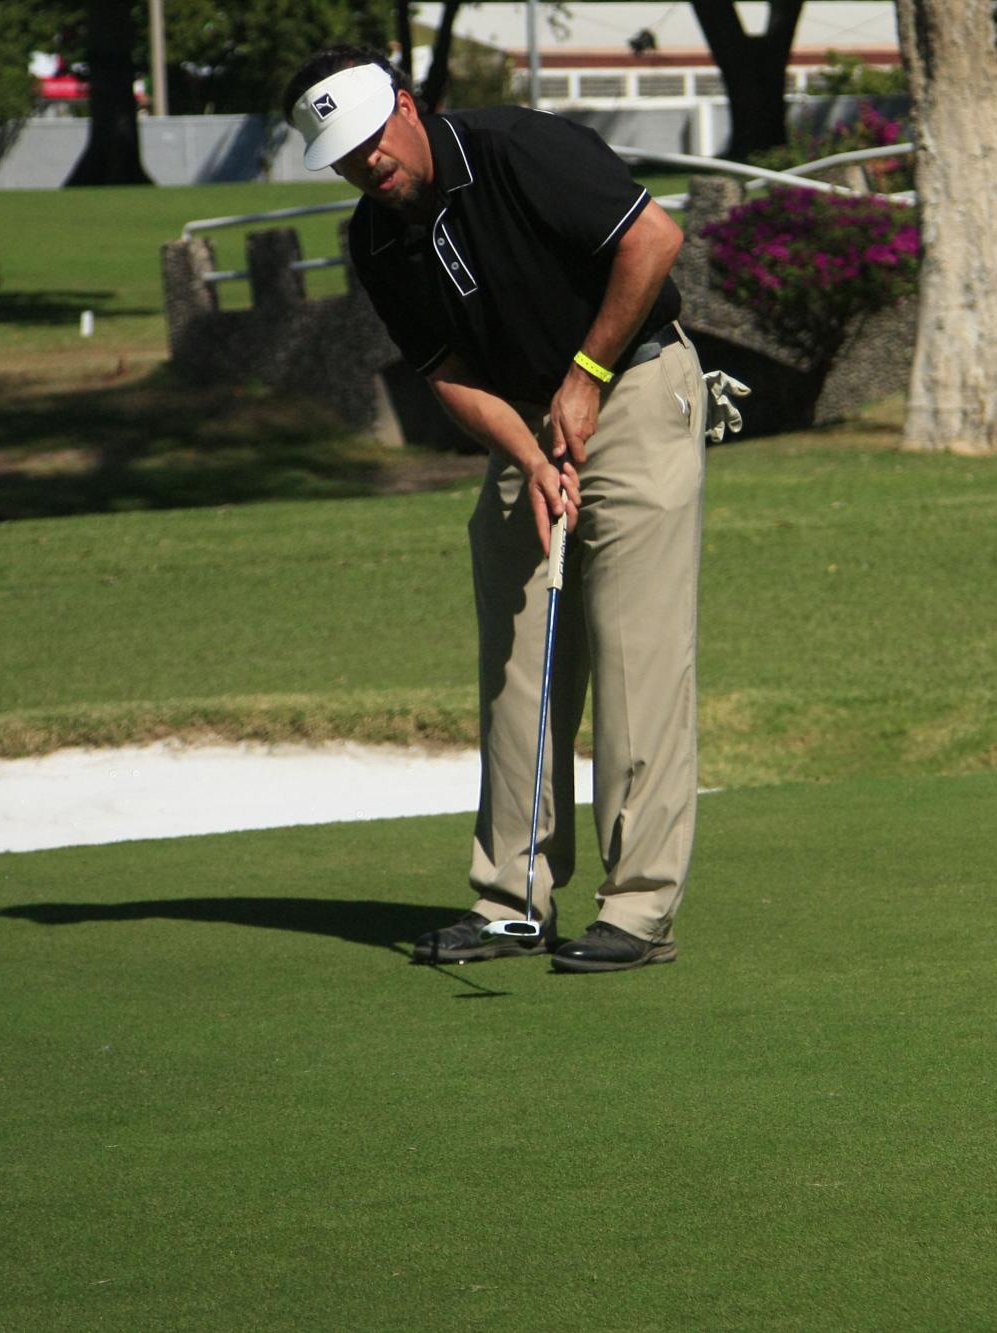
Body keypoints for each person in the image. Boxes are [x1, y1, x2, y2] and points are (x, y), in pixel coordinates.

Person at [283, 47, 706, 973]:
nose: (367, 166)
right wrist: (529, 457)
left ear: (406, 105)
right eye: (344, 158)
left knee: (634, 652)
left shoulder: (518, 148)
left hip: (632, 385)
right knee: (518, 664)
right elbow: (447, 372)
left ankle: (637, 911)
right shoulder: (377, 235)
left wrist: (587, 376)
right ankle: (512, 899)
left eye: (371, 142)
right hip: (524, 419)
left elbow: (654, 241)